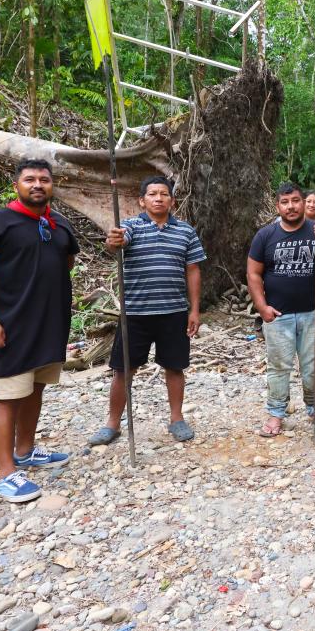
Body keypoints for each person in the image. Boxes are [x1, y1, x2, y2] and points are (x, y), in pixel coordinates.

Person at [0, 159, 79, 504]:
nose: (37, 184)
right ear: (16, 185)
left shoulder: (59, 224)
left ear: (52, 185)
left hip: (49, 323)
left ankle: (26, 450)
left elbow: (66, 263)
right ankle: (5, 474)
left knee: (36, 387)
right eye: (29, 179)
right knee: (9, 394)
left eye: (44, 179)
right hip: (11, 325)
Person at [89, 175, 206, 446]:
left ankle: (177, 419)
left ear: (172, 200)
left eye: (164, 194)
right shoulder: (129, 226)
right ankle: (112, 423)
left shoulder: (185, 231)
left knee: (175, 367)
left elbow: (193, 270)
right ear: (142, 200)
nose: (158, 198)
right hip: (136, 314)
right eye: (152, 194)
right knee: (123, 369)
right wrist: (113, 241)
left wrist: (194, 310)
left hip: (174, 311)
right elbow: (117, 244)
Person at [248, 183, 315, 436]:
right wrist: (262, 307)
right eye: (284, 202)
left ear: (304, 202)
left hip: (312, 312)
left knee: (313, 365)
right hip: (278, 316)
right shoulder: (265, 236)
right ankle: (275, 414)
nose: (290, 206)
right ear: (278, 206)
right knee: (279, 367)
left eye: (295, 200)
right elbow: (253, 273)